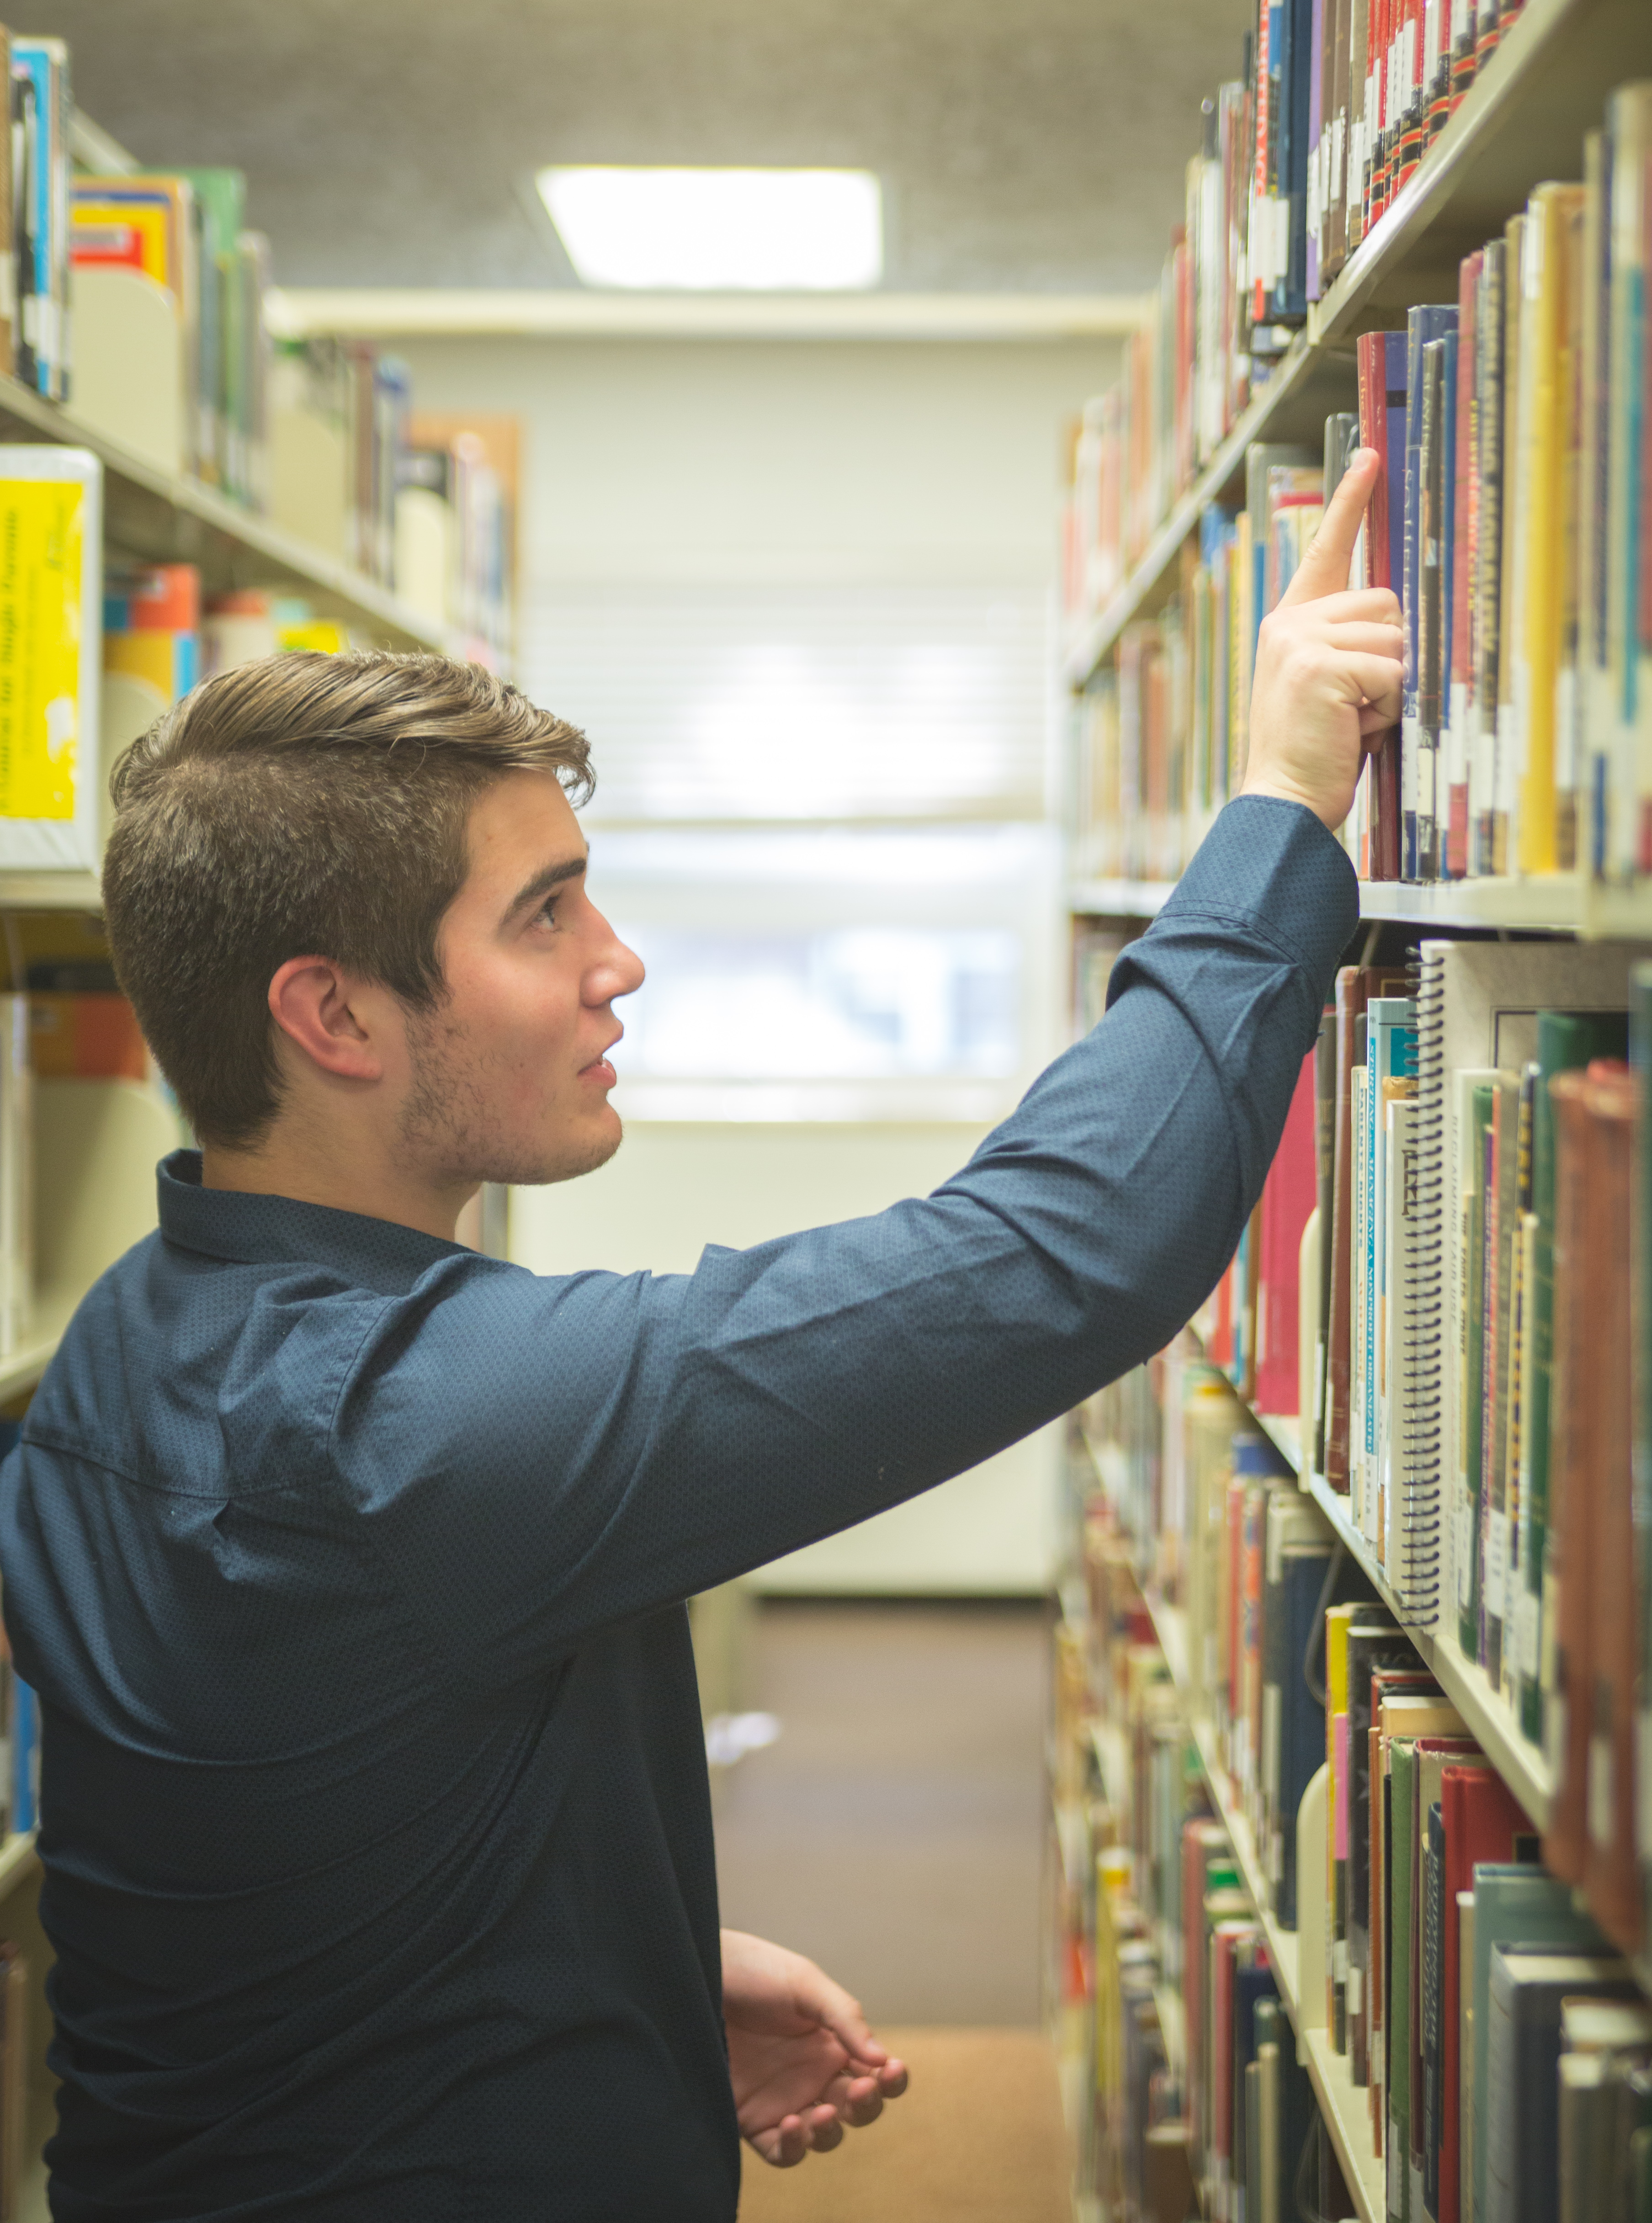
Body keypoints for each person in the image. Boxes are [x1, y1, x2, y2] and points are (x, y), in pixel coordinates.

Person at [0, 453, 1400, 2221]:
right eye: (543, 915)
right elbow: (1069, 1248)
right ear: (331, 1013)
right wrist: (1284, 797)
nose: (621, 960)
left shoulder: (129, 1335)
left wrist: (610, 1954)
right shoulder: (422, 1425)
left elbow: (262, 1823)